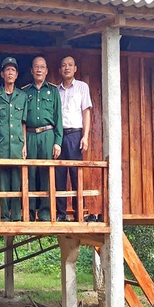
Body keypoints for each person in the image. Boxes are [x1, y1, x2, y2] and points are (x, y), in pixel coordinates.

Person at [23, 56, 62, 221]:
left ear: (46, 71)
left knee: (47, 173)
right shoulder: (24, 92)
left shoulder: (53, 91)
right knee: (29, 173)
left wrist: (57, 142)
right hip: (30, 135)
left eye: (42, 67)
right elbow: (22, 120)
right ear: (32, 71)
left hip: (47, 134)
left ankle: (45, 211)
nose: (39, 70)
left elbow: (59, 118)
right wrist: (23, 142)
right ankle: (30, 211)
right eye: (36, 67)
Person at [0, 57, 28, 221]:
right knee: (2, 180)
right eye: (7, 70)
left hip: (18, 144)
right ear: (2, 74)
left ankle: (17, 215)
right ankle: (4, 216)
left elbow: (23, 123)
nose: (10, 72)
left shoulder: (23, 96)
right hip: (1, 143)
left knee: (17, 179)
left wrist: (24, 144)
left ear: (17, 74)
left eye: (13, 70)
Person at [56, 55, 92, 221]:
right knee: (59, 176)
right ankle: (61, 214)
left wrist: (85, 136)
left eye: (70, 65)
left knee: (76, 175)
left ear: (75, 68)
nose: (67, 68)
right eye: (64, 65)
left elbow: (86, 111)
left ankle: (79, 214)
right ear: (60, 70)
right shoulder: (56, 90)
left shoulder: (82, 87)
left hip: (76, 134)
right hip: (59, 135)